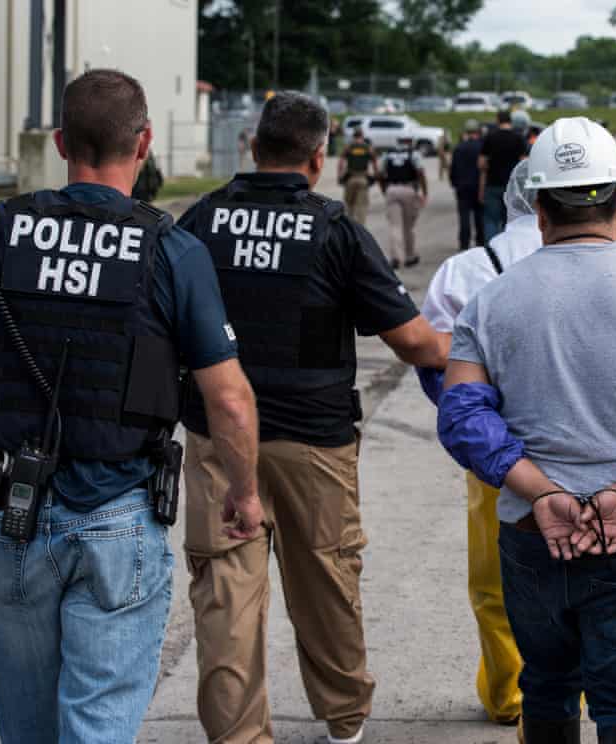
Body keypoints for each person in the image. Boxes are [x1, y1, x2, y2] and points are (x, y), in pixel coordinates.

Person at [0, 68, 264, 744]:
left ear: (63, 141)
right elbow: (230, 399)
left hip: (11, 513)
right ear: (145, 142)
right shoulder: (173, 251)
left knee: (28, 730)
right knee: (96, 728)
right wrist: (244, 491)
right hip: (117, 515)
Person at [438, 117, 616, 744]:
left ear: (538, 209)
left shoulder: (490, 302)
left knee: (545, 687)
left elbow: (462, 415)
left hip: (528, 533)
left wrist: (540, 491)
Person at [177, 93, 450, 744]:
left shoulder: (199, 223)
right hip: (314, 439)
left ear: (252, 148)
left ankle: (239, 736)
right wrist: (471, 350)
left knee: (225, 595)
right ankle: (345, 718)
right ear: (319, 158)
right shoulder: (334, 230)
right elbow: (413, 342)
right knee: (326, 581)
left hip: (219, 438)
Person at [419, 161, 542, 727]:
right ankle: (571, 690)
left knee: (496, 584)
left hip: (495, 456)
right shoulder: (611, 269)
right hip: (590, 454)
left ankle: (508, 694)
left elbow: (434, 367)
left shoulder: (464, 270)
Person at [379, 134, 428, 269]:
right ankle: (409, 256)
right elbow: (420, 172)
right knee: (408, 226)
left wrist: (384, 189)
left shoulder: (387, 154)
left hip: (392, 189)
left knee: (395, 226)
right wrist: (424, 192)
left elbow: (380, 173)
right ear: (410, 141)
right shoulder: (414, 154)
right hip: (408, 189)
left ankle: (395, 258)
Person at [479, 109, 528, 241]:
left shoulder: (489, 137)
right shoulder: (518, 138)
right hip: (512, 187)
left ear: (497, 120)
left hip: (492, 184)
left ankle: (492, 252)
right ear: (510, 121)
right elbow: (524, 165)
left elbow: (481, 163)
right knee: (510, 221)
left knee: (491, 220)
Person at [450, 119, 486, 252]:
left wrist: (454, 183)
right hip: (478, 186)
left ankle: (464, 243)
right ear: (478, 131)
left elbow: (453, 169)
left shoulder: (459, 148)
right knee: (479, 216)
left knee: (464, 217)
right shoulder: (482, 146)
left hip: (462, 186)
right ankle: (480, 242)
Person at [337, 128, 377, 226]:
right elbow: (375, 162)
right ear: (362, 136)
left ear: (354, 136)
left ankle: (349, 228)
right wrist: (375, 175)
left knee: (349, 206)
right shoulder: (367, 147)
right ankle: (360, 230)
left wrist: (340, 176)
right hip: (363, 179)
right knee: (362, 208)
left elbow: (341, 162)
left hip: (350, 179)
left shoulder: (349, 147)